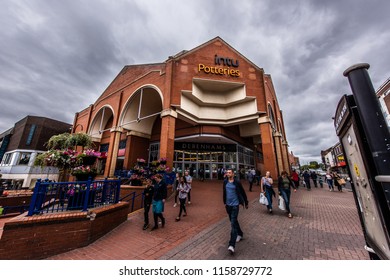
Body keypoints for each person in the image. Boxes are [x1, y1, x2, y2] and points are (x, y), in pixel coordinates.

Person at [223, 168, 248, 254]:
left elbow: (243, 192)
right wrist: (224, 203)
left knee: (233, 224)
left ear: (233, 174)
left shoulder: (237, 182)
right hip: (228, 205)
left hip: (235, 205)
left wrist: (246, 202)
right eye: (227, 172)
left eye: (230, 172)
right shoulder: (225, 182)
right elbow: (224, 192)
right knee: (234, 221)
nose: (228, 174)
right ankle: (240, 233)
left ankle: (231, 245)